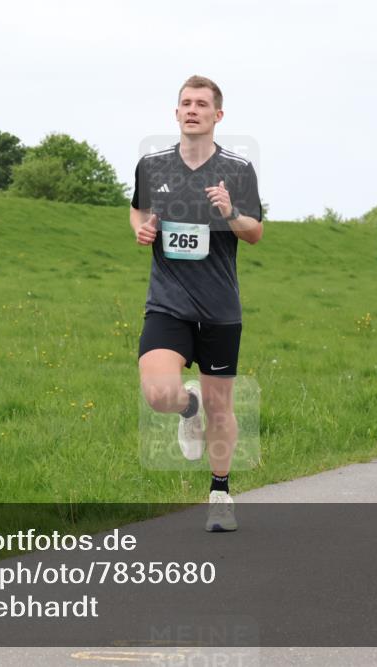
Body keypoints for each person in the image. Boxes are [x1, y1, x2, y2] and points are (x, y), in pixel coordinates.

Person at [130, 75, 263, 530]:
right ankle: (188, 409)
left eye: (201, 104)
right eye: (185, 103)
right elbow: (138, 208)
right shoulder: (152, 165)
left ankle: (220, 493)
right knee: (159, 394)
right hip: (167, 303)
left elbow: (255, 232)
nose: (192, 110)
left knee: (222, 408)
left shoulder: (239, 171)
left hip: (220, 309)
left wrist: (229, 212)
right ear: (176, 112)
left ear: (217, 116)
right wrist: (141, 227)